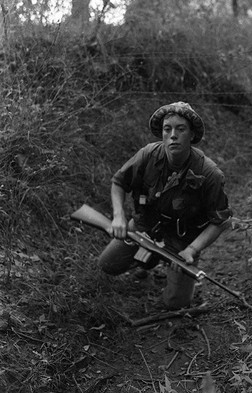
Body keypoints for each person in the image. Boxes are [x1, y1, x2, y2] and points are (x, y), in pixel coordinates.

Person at [98, 102, 233, 310]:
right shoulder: (148, 155)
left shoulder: (209, 173)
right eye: (167, 129)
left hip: (182, 242)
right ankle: (148, 260)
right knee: (107, 264)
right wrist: (118, 216)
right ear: (161, 133)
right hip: (144, 228)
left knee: (176, 304)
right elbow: (118, 182)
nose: (173, 135)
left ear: (191, 135)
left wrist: (191, 249)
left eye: (181, 129)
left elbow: (221, 221)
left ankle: (162, 264)